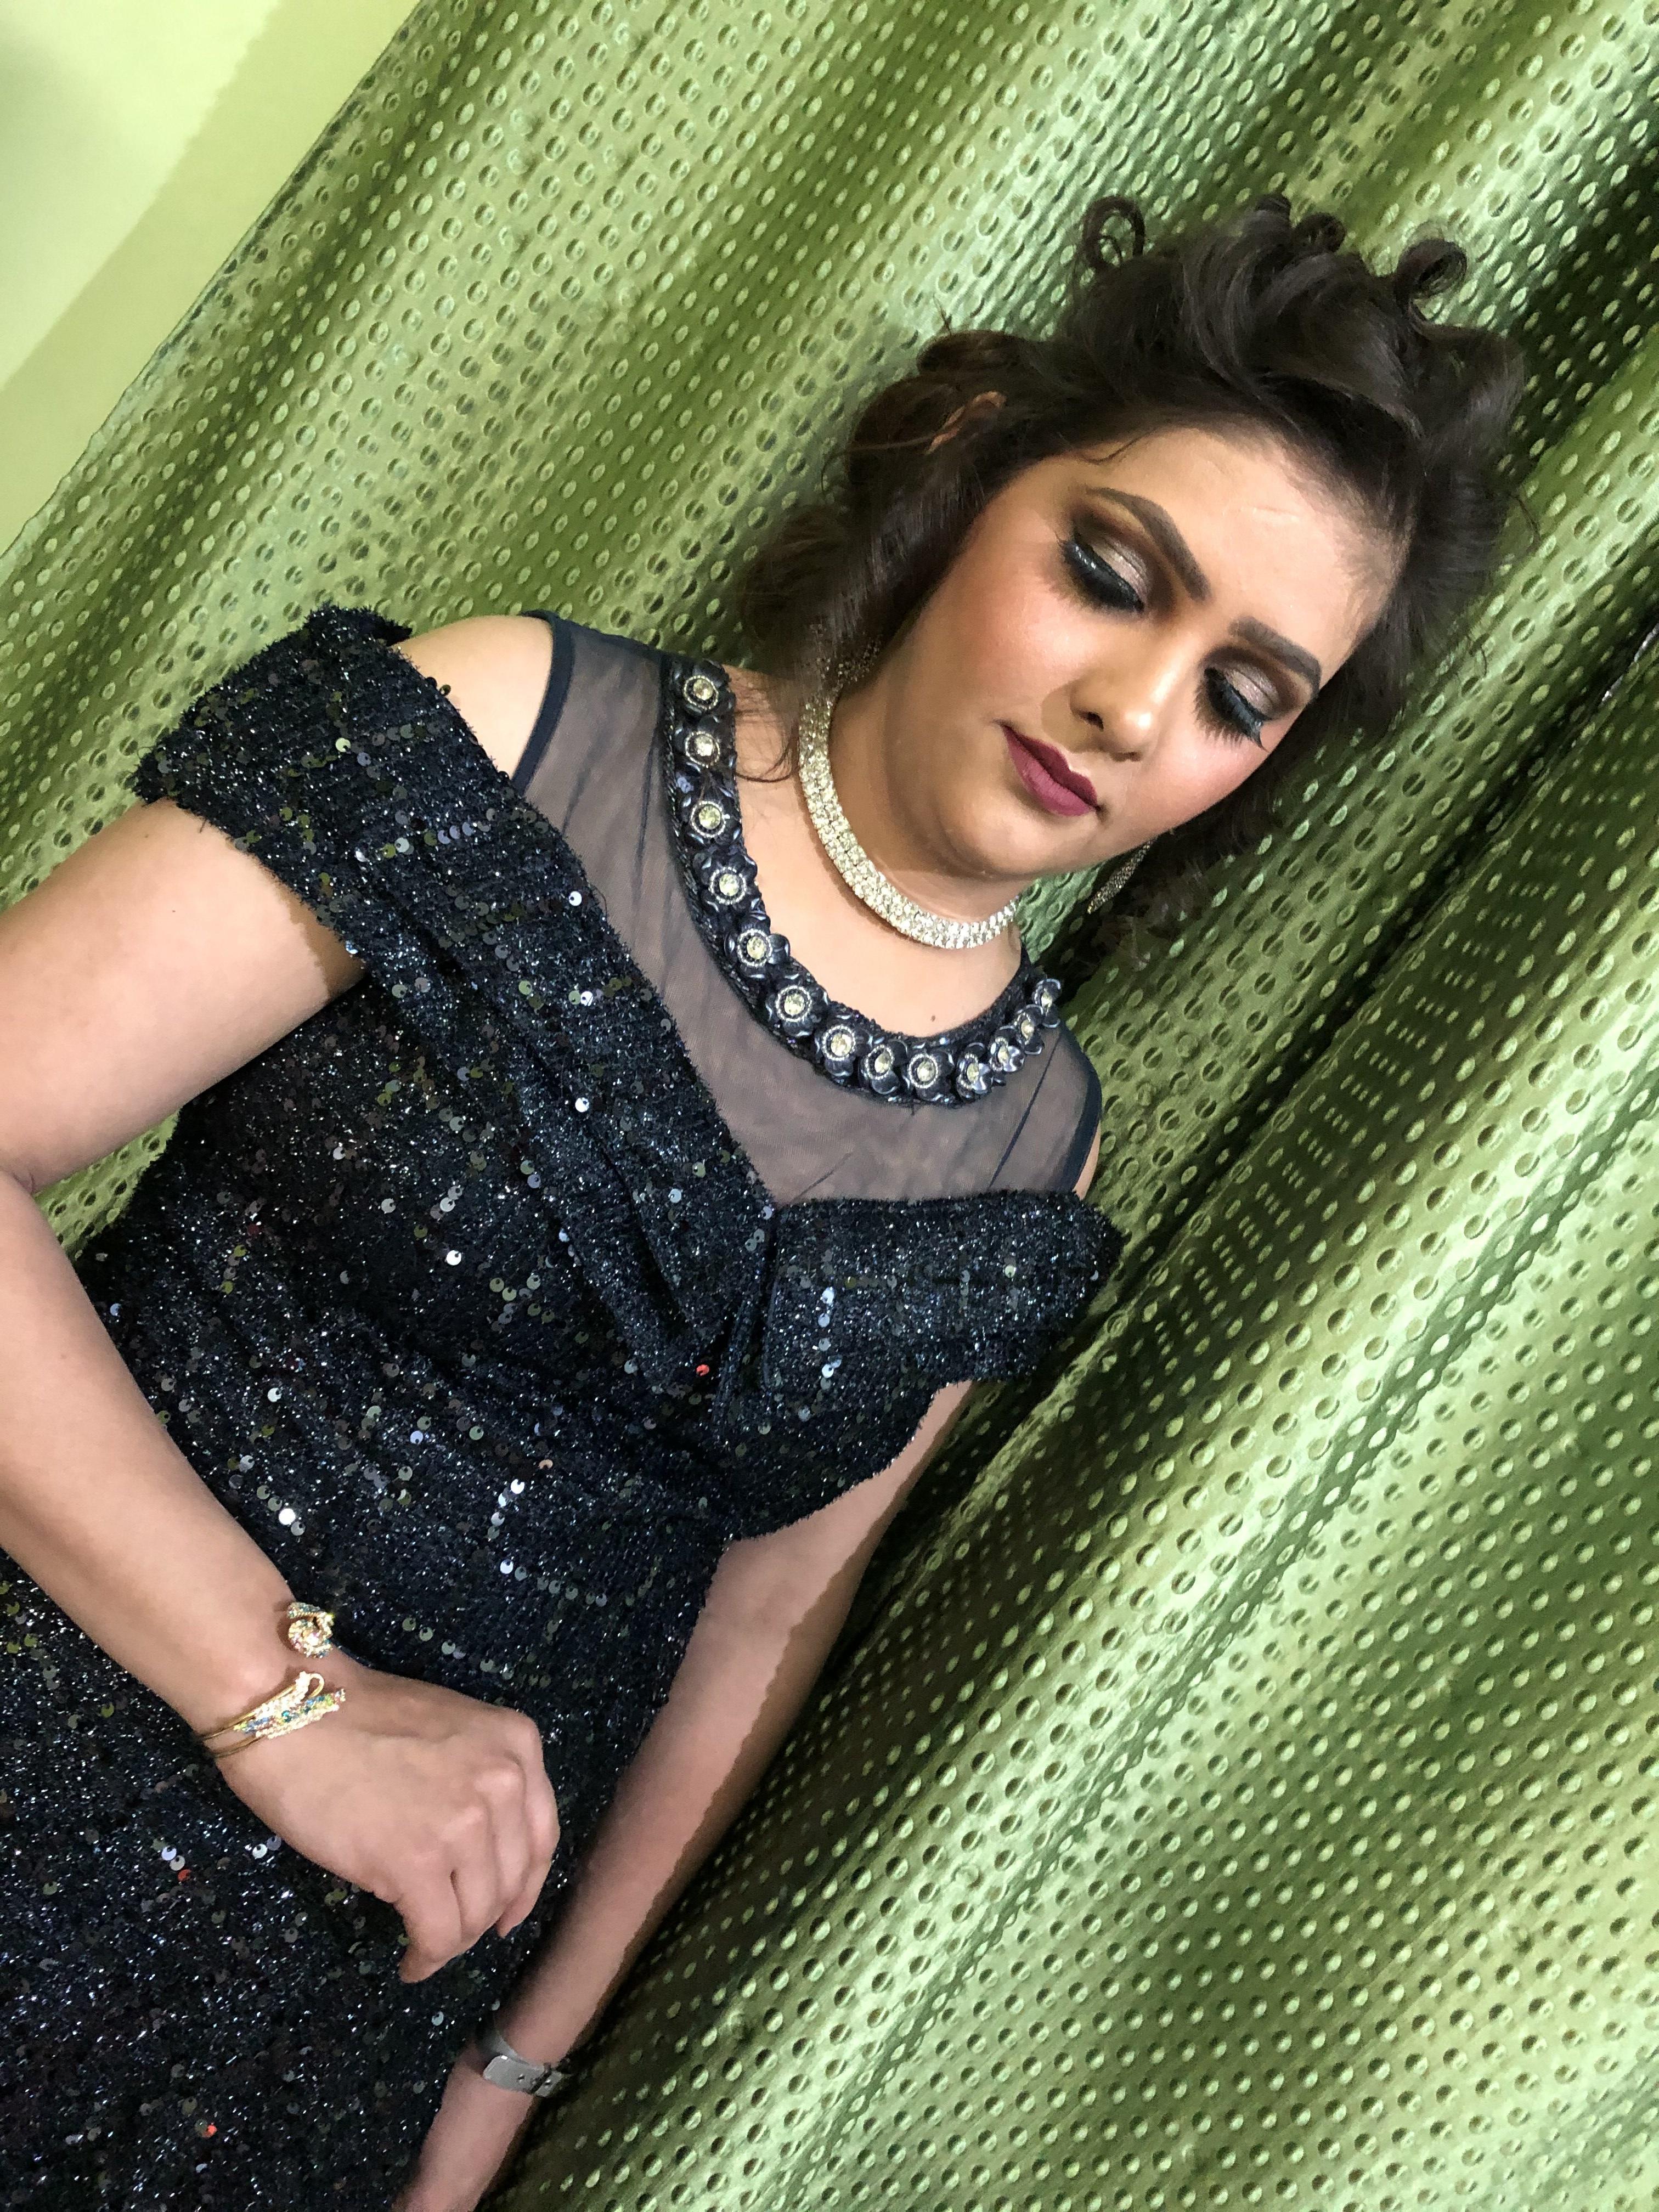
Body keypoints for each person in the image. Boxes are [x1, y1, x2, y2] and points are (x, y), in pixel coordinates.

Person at [0, 190, 1523, 2210]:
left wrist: (502, 2082)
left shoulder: (1035, 1152)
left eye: (1244, 695)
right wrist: (282, 1703)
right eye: (1111, 572)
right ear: (966, 460)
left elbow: (762, 1621)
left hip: (343, 2015)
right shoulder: (516, 732)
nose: (1138, 710)